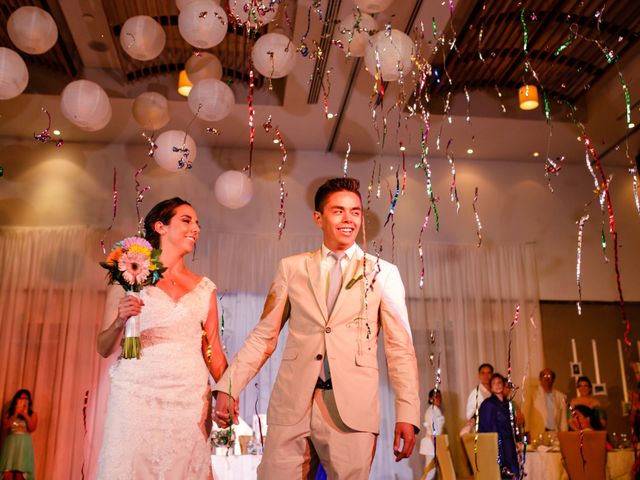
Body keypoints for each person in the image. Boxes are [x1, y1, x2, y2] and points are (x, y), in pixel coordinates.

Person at [214, 177, 420, 479]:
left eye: (355, 211)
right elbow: (263, 335)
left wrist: (407, 414)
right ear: (318, 218)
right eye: (338, 211)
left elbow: (400, 349)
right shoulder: (292, 268)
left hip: (352, 410)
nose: (348, 219)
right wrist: (229, 386)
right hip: (293, 403)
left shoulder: (383, 273)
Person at [96, 198, 228, 479]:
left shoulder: (205, 288)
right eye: (186, 220)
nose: (196, 228)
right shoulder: (127, 276)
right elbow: (103, 347)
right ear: (160, 226)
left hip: (189, 396)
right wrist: (120, 320)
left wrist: (229, 390)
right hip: (136, 392)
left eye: (197, 223)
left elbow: (212, 348)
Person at [478, 374, 519, 479]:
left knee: (514, 472)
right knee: (501, 473)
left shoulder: (507, 403)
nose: (497, 385)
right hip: (497, 446)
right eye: (494, 383)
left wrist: (516, 440)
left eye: (499, 383)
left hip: (509, 444)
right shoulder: (488, 404)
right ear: (491, 387)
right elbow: (485, 429)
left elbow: (513, 425)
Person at [0, 390, 37, 480]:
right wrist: (15, 413)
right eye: (21, 398)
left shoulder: (32, 414)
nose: (23, 400)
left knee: (20, 475)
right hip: (11, 445)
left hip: (24, 445)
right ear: (16, 399)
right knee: (7, 474)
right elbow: (5, 426)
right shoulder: (9, 413)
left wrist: (25, 414)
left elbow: (32, 428)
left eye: (26, 399)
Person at [525, 368, 568, 441]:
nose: (547, 378)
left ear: (553, 379)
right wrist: (526, 432)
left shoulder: (560, 397)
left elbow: (563, 420)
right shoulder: (532, 394)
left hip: (554, 434)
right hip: (537, 434)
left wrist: (564, 435)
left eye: (549, 376)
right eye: (544, 376)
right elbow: (526, 413)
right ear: (540, 379)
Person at [460, 363, 494, 435]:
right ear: (479, 376)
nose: (486, 376)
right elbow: (470, 416)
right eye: (483, 373)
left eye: (489, 373)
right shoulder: (475, 394)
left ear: (492, 375)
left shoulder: (495, 392)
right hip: (483, 432)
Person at [419, 389, 445, 480]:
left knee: (434, 470)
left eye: (439, 396)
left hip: (435, 443)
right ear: (430, 399)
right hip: (431, 444)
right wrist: (438, 446)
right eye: (436, 396)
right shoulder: (431, 411)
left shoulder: (436, 410)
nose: (438, 399)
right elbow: (435, 431)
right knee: (430, 471)